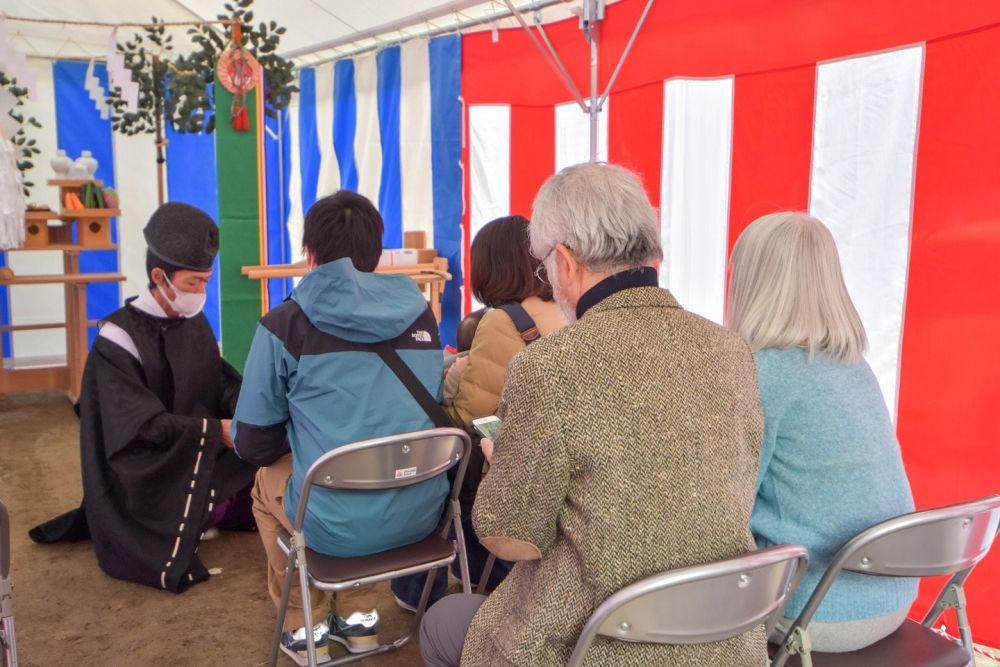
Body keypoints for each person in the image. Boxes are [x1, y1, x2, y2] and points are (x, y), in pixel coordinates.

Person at [420, 163, 767, 666]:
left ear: (564, 261)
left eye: (544, 266)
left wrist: (507, 463)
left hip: (594, 648)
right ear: (653, 252)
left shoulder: (549, 368)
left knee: (443, 622)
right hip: (726, 643)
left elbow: (508, 537)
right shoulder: (732, 350)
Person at [232, 191, 449, 661]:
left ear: (310, 254)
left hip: (334, 526)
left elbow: (252, 441)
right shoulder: (421, 314)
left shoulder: (285, 324)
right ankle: (359, 618)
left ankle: (302, 624)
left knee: (264, 486)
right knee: (358, 466)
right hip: (420, 511)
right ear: (376, 253)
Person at [29, 202, 257, 592]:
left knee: (267, 457)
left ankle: (214, 509)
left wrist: (243, 410)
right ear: (159, 276)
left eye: (206, 281)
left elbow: (217, 381)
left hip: (192, 448)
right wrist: (215, 431)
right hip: (145, 467)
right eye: (193, 283)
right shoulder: (116, 340)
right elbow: (138, 429)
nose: (201, 292)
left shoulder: (193, 320)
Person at [727, 211, 917, 652]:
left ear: (755, 283)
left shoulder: (762, 372)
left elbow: (725, 502)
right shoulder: (854, 365)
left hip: (814, 613)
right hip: (893, 598)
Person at [443, 214, 565, 591]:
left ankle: (423, 588)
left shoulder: (503, 321)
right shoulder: (567, 309)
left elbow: (470, 416)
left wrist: (454, 376)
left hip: (514, 483)